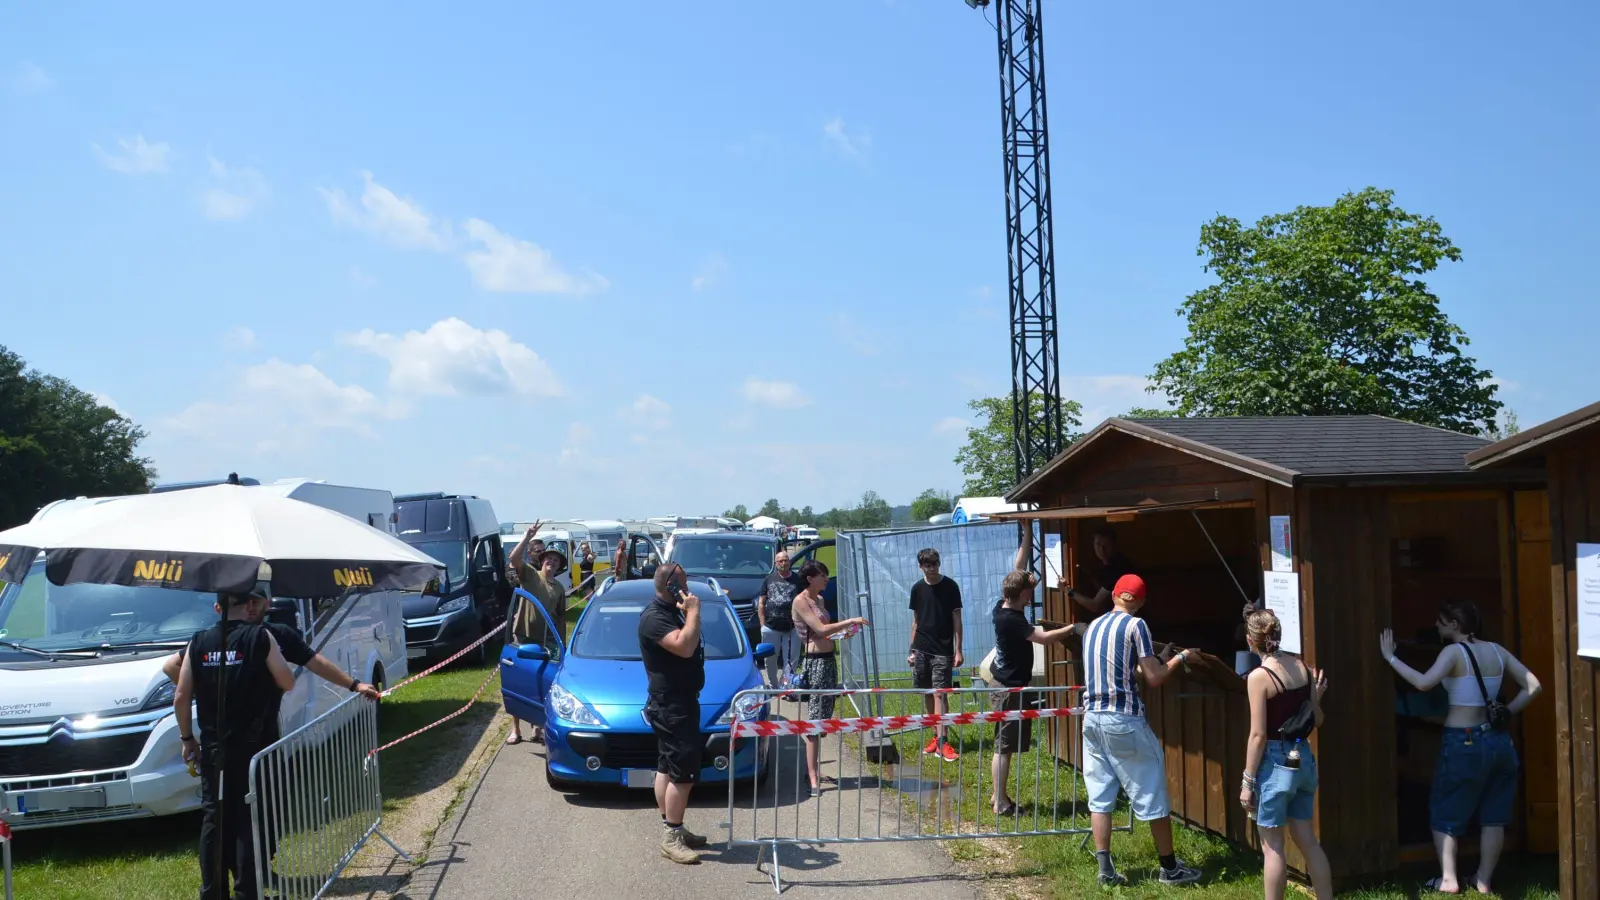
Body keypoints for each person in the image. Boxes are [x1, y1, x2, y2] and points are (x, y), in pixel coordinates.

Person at [172, 570, 380, 900]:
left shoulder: (200, 641)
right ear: (243, 605)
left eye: (259, 601)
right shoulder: (262, 638)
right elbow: (288, 682)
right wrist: (256, 674)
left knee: (217, 819)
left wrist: (189, 734)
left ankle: (214, 891)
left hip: (216, 747)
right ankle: (247, 891)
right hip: (252, 746)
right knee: (245, 820)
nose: (253, 607)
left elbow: (180, 693)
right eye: (249, 601)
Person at [1380, 600, 1543, 894]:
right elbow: (1533, 685)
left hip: (1463, 739)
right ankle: (1482, 880)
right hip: (1498, 739)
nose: (1437, 626)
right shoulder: (1497, 651)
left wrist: (1391, 658)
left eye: (1441, 621)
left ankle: (1449, 879)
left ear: (1455, 625)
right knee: (1494, 815)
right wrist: (1506, 712)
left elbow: (1424, 683)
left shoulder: (1453, 652)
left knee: (1445, 807)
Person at [1081, 572, 1202, 886]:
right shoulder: (1137, 625)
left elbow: (1125, 671)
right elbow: (1154, 679)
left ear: (1116, 595)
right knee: (1153, 793)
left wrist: (1158, 659)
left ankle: (1105, 870)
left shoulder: (1094, 626)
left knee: (1100, 796)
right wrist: (1180, 659)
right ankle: (1170, 868)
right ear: (1138, 599)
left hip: (1092, 719)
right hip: (1124, 719)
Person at [990, 525, 1084, 815]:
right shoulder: (1012, 620)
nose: (1032, 596)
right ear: (1020, 595)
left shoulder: (1003, 604)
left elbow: (1019, 566)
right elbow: (1042, 637)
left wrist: (1028, 533)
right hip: (1009, 689)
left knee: (1004, 745)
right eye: (1029, 592)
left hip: (1007, 683)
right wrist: (1073, 628)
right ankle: (1000, 802)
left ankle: (998, 796)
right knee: (1003, 747)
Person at [1240, 610, 1332, 900]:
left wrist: (1247, 781)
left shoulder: (1259, 677)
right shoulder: (1303, 667)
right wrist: (1316, 697)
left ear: (1250, 641)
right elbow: (1317, 720)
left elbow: (1257, 735)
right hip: (1302, 757)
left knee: (1273, 847)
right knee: (1308, 841)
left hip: (1275, 761)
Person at [637, 562, 710, 864]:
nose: (688, 588)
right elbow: (684, 647)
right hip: (672, 705)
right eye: (684, 582)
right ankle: (671, 836)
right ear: (671, 587)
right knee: (684, 772)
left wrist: (688, 612)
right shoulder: (654, 618)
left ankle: (674, 827)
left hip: (678, 701)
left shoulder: (670, 612)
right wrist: (693, 612)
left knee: (667, 767)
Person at [792, 560, 869, 798]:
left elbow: (827, 632)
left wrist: (843, 633)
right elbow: (821, 629)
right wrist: (850, 621)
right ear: (810, 579)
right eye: (822, 576)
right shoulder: (800, 601)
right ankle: (812, 776)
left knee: (824, 717)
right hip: (814, 664)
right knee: (815, 719)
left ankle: (813, 769)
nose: (826, 579)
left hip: (828, 661)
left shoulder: (820, 600)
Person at [508, 543, 568, 745]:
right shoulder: (531, 575)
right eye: (548, 558)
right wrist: (527, 537)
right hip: (523, 637)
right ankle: (515, 730)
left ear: (560, 566)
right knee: (517, 681)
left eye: (556, 560)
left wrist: (562, 644)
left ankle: (538, 727)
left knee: (543, 683)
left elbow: (560, 617)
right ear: (542, 561)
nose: (551, 562)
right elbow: (514, 558)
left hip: (546, 642)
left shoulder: (559, 588)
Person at [908, 547, 964, 761]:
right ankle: (935, 735)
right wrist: (911, 649)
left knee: (941, 693)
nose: (932, 569)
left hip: (943, 649)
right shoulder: (917, 589)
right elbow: (915, 621)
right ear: (921, 566)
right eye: (928, 565)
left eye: (935, 564)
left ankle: (944, 741)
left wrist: (958, 649)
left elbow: (957, 619)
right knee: (928, 693)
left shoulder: (950, 586)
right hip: (921, 647)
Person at [757, 548, 804, 688]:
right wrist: (762, 625)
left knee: (791, 659)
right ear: (776, 563)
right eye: (781, 561)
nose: (784, 563)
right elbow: (761, 603)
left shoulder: (797, 580)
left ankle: (786, 686)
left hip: (792, 628)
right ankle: (773, 685)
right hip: (771, 627)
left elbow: (804, 600)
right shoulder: (769, 579)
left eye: (786, 560)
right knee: (770, 658)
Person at [1067, 525, 1135, 615]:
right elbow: (1104, 587)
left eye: (1106, 544)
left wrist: (1069, 591)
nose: (1102, 549)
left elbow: (1094, 605)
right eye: (1098, 544)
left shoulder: (1118, 567)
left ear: (1114, 545)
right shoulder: (1107, 563)